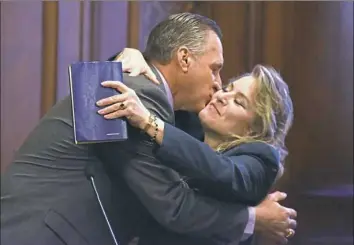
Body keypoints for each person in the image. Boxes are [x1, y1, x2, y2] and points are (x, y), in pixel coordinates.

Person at [1, 13, 296, 245]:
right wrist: (254, 219)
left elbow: (207, 165)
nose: (219, 86)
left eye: (238, 100)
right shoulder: (139, 96)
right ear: (184, 59)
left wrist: (127, 56)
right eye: (215, 69)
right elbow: (174, 205)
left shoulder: (164, 108)